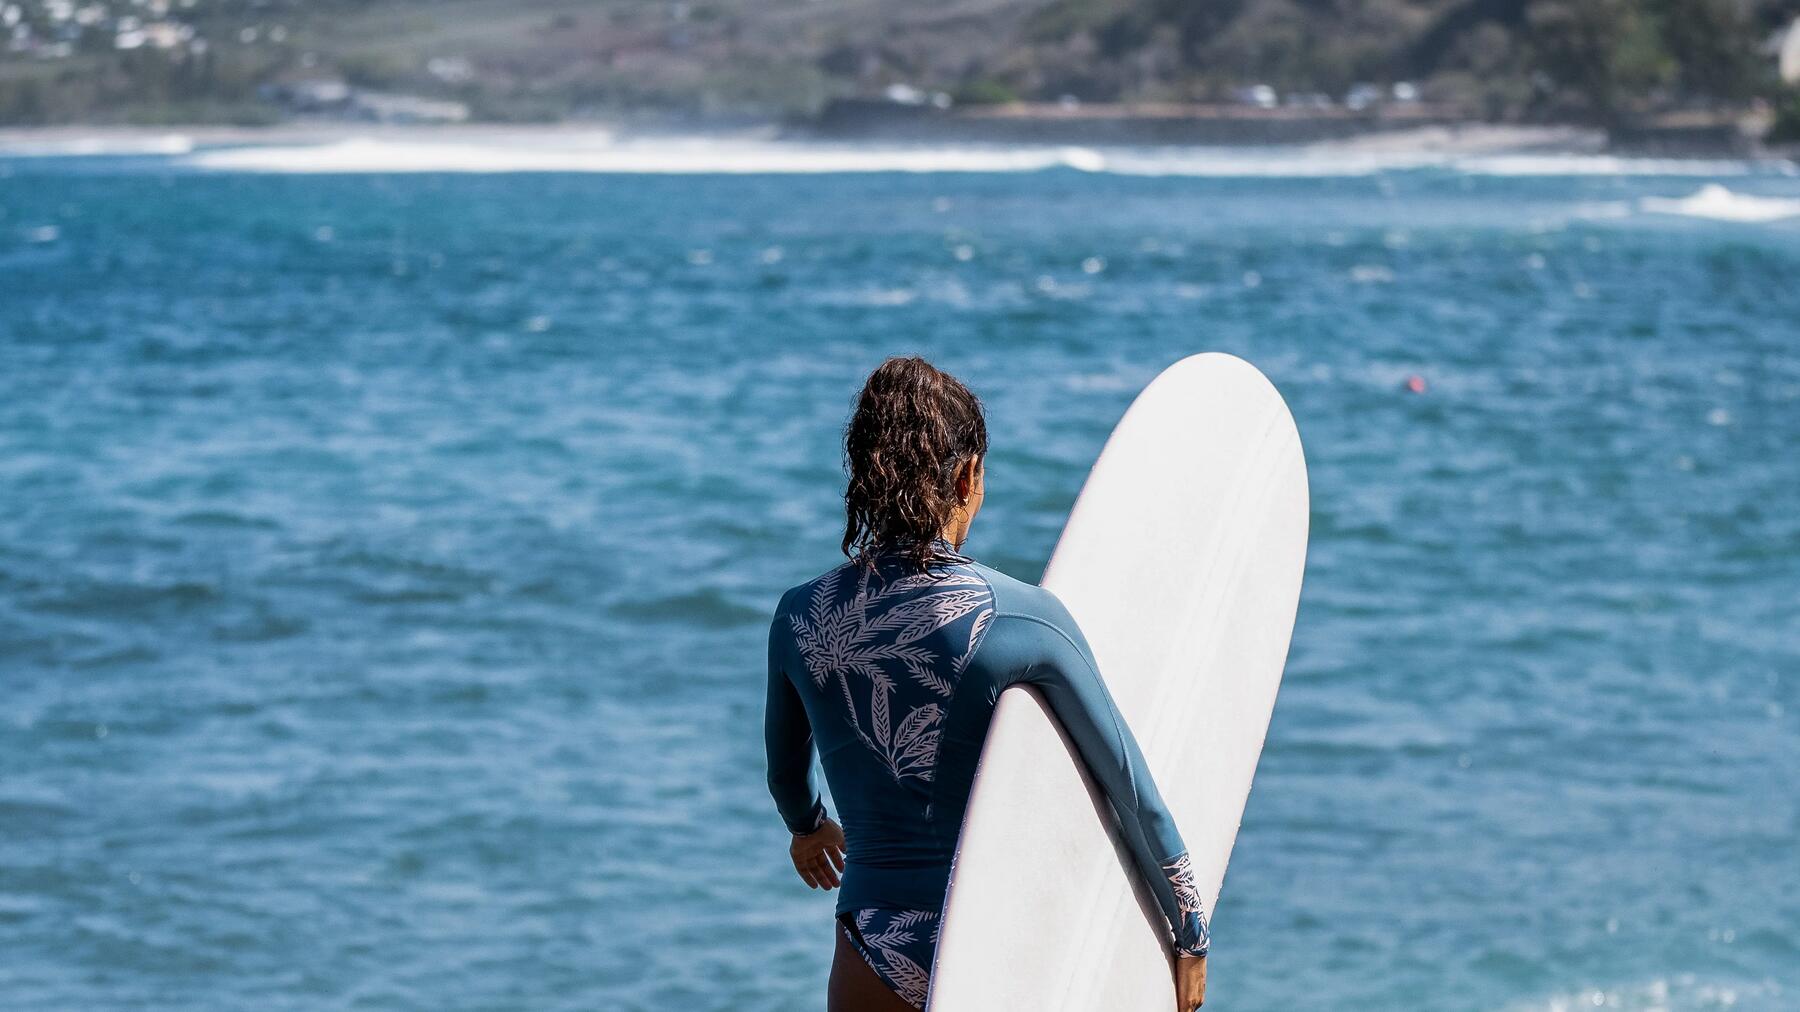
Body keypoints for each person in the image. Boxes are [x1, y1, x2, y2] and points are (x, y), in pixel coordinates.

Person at [765, 356, 1210, 1012]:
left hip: (869, 947)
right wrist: (1189, 934)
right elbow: (1133, 793)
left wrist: (808, 828)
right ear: (969, 475)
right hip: (990, 945)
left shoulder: (801, 616)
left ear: (863, 475)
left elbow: (785, 772)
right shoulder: (1020, 617)